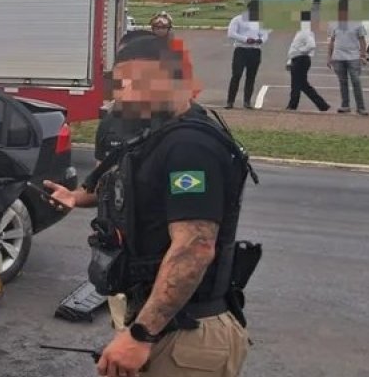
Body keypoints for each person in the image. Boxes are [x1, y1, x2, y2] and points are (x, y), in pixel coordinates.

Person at [44, 35, 257, 377]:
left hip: (185, 334)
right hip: (164, 323)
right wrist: (77, 197)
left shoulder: (190, 147)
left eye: (130, 82)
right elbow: (131, 186)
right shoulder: (161, 135)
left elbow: (195, 247)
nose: (121, 95)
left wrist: (141, 334)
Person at [327, 0, 369, 116]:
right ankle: (345, 105)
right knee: (342, 81)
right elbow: (332, 41)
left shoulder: (357, 23)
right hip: (338, 57)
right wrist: (329, 57)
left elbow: (362, 41)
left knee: (356, 81)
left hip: (353, 57)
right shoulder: (333, 23)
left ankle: (361, 107)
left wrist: (363, 55)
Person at [286, 10, 330, 112]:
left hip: (301, 60)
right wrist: (290, 60)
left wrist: (300, 52)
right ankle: (322, 105)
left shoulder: (305, 31)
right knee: (303, 85)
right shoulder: (301, 31)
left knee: (296, 84)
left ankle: (292, 106)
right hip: (297, 59)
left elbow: (311, 45)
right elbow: (295, 46)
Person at [225, 0, 265, 109]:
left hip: (255, 50)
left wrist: (261, 40)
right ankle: (230, 101)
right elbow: (231, 33)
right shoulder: (238, 19)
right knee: (237, 75)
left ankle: (247, 101)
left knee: (251, 77)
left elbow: (264, 34)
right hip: (241, 50)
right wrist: (246, 39)